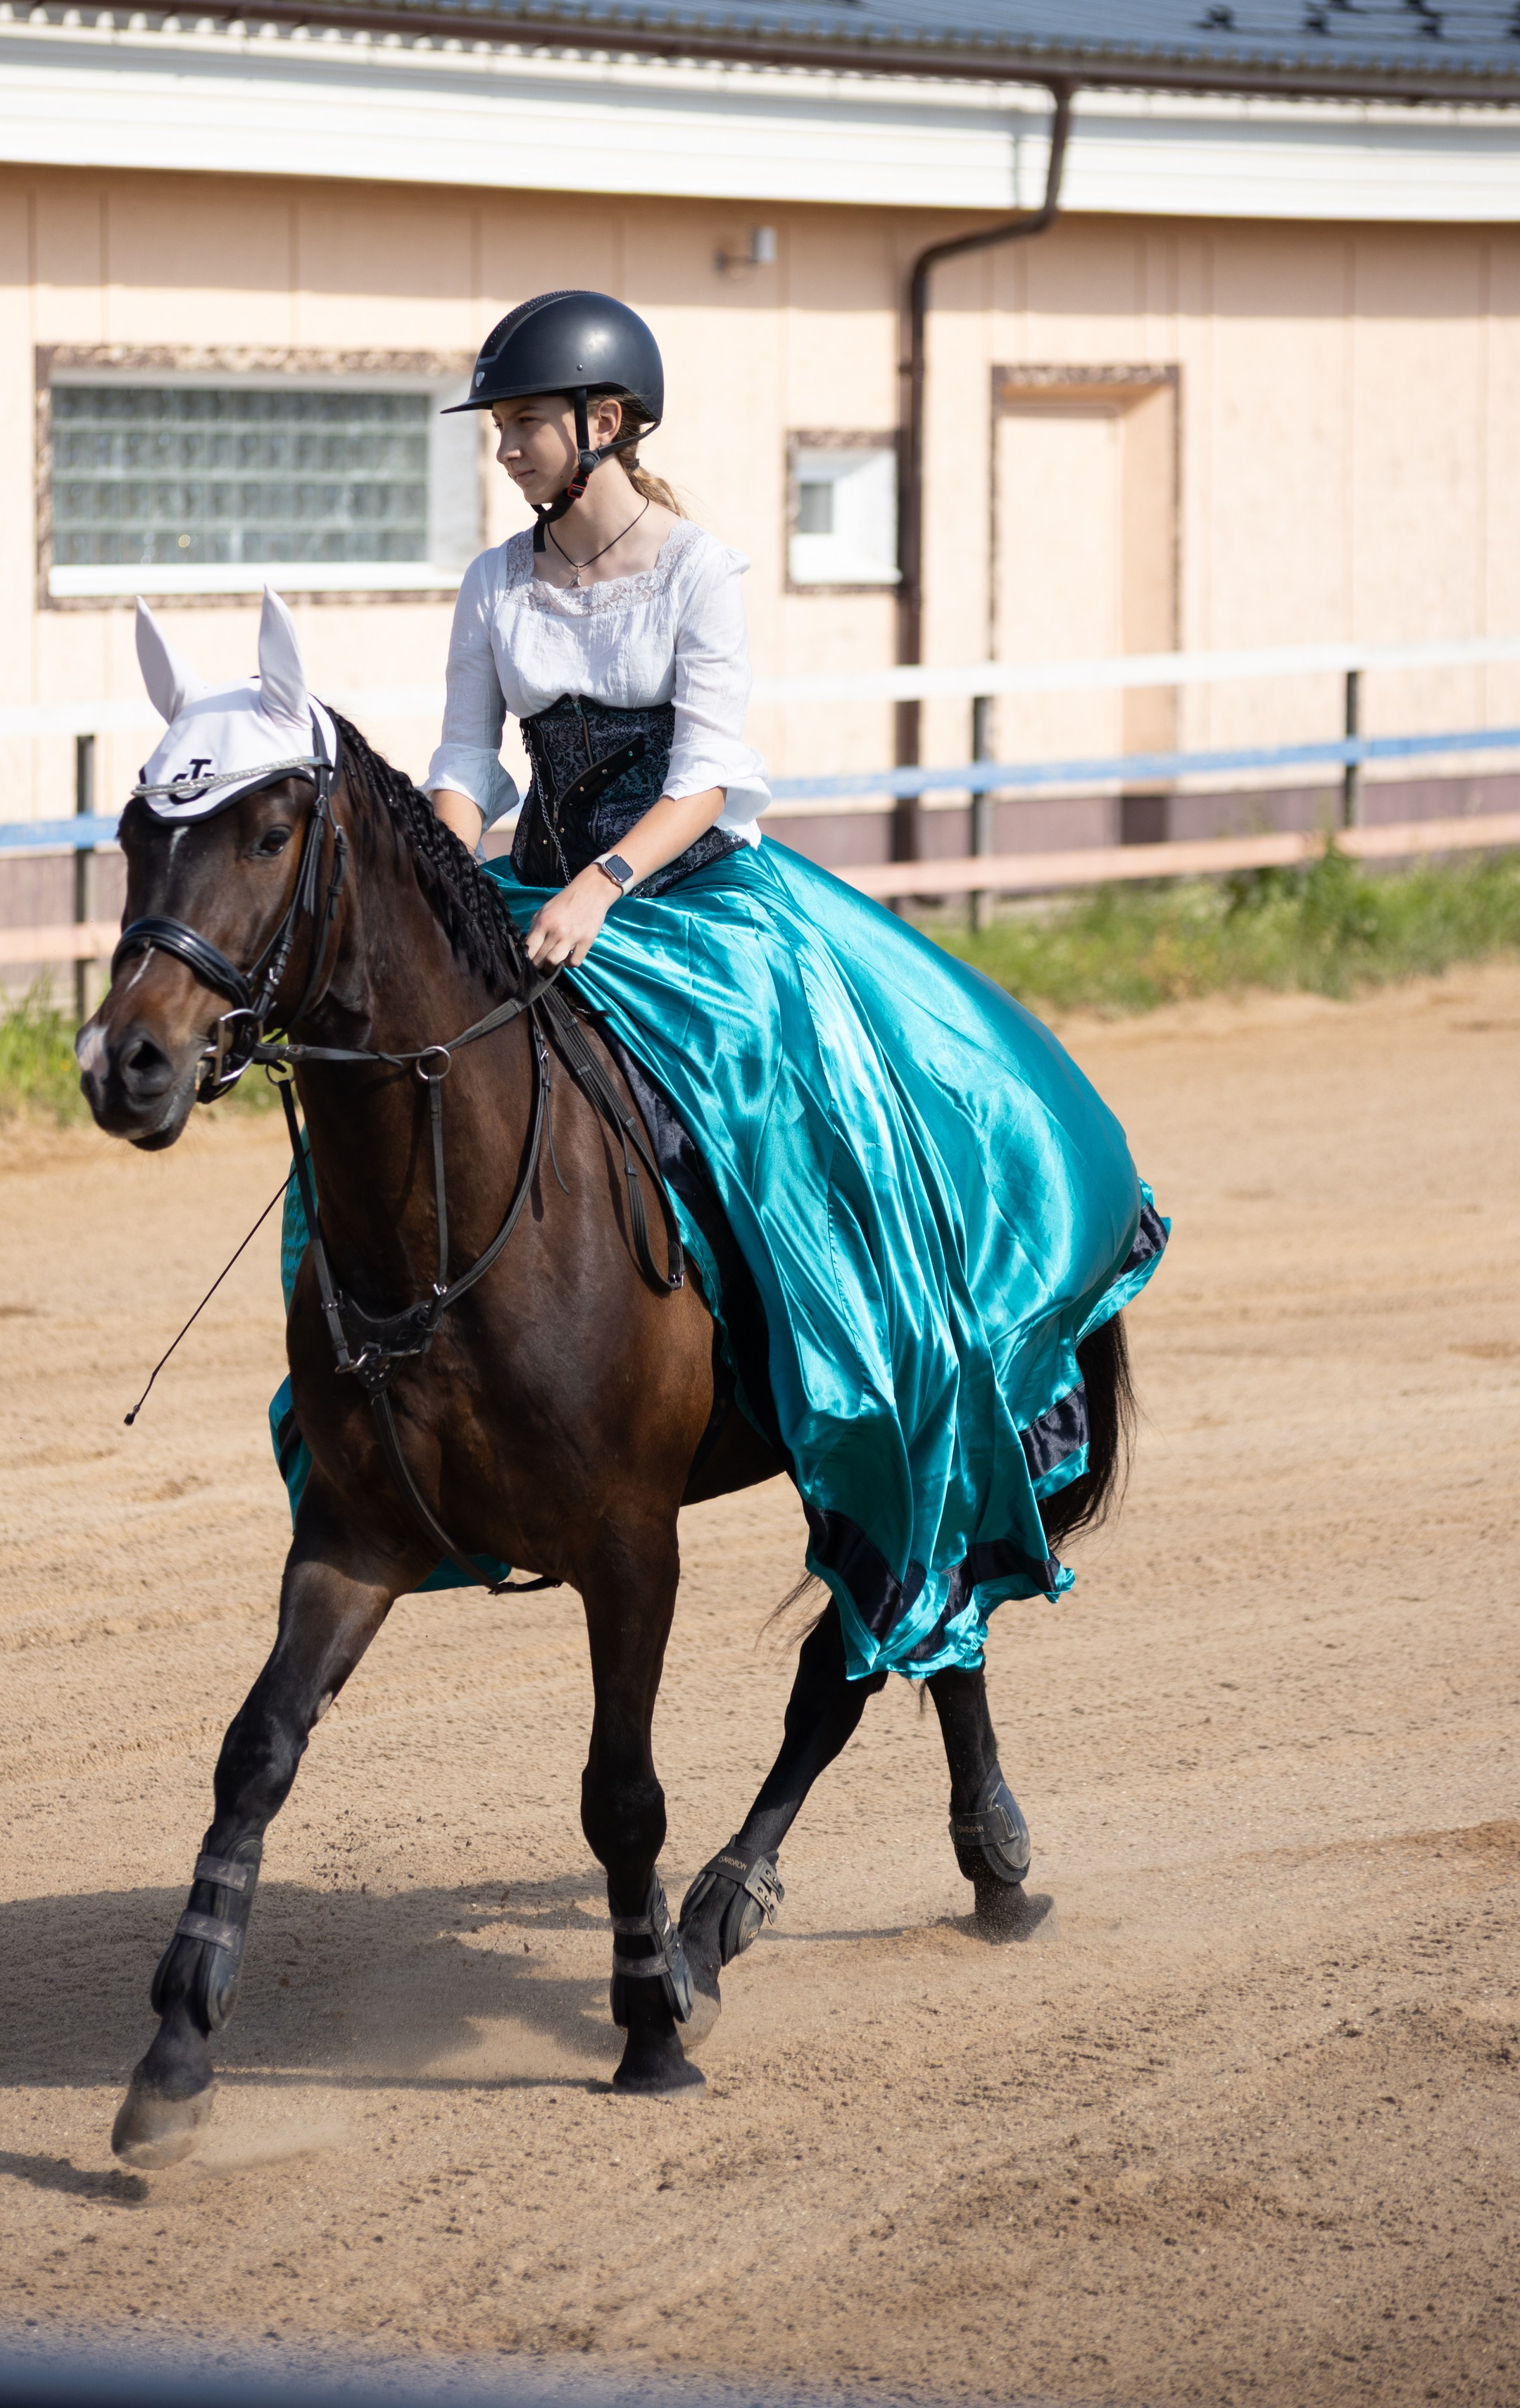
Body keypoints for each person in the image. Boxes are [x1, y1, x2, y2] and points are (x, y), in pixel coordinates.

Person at [422, 290, 1167, 1683]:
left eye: (523, 423)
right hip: (535, 901)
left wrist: (599, 888)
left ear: (603, 425)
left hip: (694, 903)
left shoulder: (698, 569)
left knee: (778, 1125)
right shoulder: (491, 583)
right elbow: (464, 763)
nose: (504, 448)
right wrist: (442, 870)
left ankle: (836, 1377)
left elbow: (702, 774)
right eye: (502, 425)